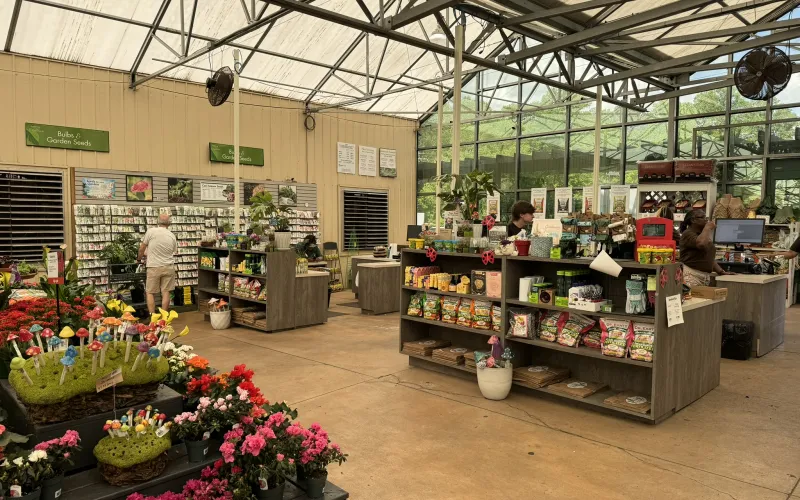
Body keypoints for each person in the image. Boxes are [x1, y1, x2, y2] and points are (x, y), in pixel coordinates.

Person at [678, 209, 731, 287]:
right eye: (703, 217)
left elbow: (708, 257)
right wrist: (707, 227)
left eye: (706, 217)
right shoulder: (688, 233)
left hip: (703, 277)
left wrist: (720, 271)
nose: (706, 220)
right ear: (693, 220)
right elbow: (701, 244)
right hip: (690, 275)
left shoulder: (701, 235)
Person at [138, 213, 177, 313]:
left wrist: (139, 259)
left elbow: (142, 248)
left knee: (150, 292)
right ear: (169, 223)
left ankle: (152, 316)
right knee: (166, 292)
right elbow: (173, 251)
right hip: (168, 267)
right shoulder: (172, 235)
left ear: (157, 221)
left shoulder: (151, 232)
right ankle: (164, 316)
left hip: (154, 267)